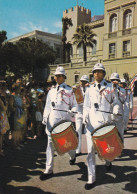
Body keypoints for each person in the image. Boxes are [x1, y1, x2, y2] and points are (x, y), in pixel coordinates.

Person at [83, 63, 120, 190]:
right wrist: (85, 116)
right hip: (91, 125)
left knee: (106, 149)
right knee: (90, 151)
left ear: (103, 74)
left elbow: (116, 102)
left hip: (105, 123)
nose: (96, 73)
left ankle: (108, 161)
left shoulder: (111, 87)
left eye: (99, 71)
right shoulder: (89, 88)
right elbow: (86, 105)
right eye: (95, 72)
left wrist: (115, 110)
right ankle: (91, 178)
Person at [40, 66, 78, 180]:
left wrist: (73, 111)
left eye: (59, 75)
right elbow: (47, 106)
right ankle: (49, 169)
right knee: (50, 144)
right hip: (52, 119)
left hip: (64, 119)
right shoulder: (51, 91)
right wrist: (45, 116)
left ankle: (73, 155)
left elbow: (75, 105)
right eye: (56, 75)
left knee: (66, 144)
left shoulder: (69, 90)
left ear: (64, 77)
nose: (57, 77)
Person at [75, 75, 90, 156]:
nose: (83, 83)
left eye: (85, 81)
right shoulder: (77, 89)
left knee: (88, 131)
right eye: (82, 81)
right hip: (79, 112)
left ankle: (90, 148)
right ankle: (78, 149)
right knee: (78, 130)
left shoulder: (90, 90)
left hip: (87, 112)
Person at [110, 73, 126, 142]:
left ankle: (121, 146)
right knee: (110, 133)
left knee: (120, 132)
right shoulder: (106, 90)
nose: (114, 81)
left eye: (116, 80)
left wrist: (117, 90)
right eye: (113, 80)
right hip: (109, 114)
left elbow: (123, 100)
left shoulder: (122, 90)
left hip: (118, 114)